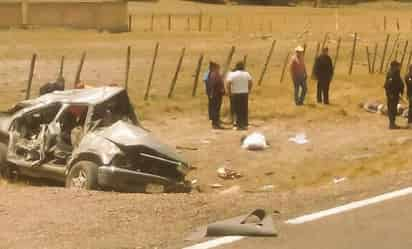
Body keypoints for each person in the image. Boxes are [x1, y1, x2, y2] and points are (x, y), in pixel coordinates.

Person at [226, 61, 253, 130]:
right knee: (244, 109)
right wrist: (248, 90)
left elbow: (228, 83)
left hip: (235, 93)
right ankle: (244, 123)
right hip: (244, 93)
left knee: (236, 109)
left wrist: (229, 92)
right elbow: (250, 82)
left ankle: (236, 124)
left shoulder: (232, 74)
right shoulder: (246, 74)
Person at [385, 61, 404, 129]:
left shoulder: (396, 73)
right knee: (391, 109)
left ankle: (393, 123)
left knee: (394, 109)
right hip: (392, 95)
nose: (400, 68)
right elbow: (387, 85)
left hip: (396, 94)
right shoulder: (391, 74)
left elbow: (400, 83)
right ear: (394, 66)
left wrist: (401, 92)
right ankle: (391, 124)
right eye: (398, 66)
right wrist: (390, 94)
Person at [208, 62, 225, 129]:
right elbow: (213, 85)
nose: (219, 69)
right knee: (216, 109)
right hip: (216, 95)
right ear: (215, 68)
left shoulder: (214, 74)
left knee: (216, 109)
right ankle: (215, 124)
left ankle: (216, 123)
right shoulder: (215, 75)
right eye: (218, 67)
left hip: (216, 94)